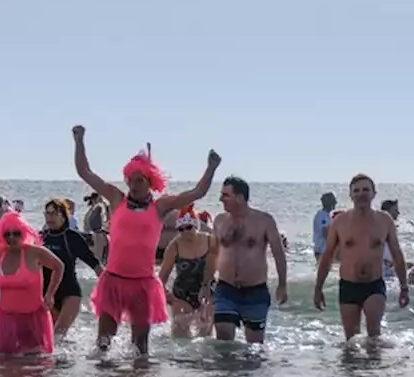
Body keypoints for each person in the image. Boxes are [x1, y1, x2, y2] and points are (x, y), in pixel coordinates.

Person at [72, 125, 221, 354]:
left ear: (150, 181)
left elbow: (196, 193)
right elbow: (85, 172)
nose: (134, 184)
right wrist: (79, 140)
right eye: (131, 179)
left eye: (140, 179)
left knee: (140, 347)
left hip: (142, 283)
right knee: (103, 343)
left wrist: (211, 168)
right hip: (114, 280)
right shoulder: (116, 198)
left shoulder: (159, 207)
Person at [314, 174, 408, 340]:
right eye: (356, 190)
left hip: (374, 285)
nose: (361, 193)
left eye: (366, 189)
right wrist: (318, 288)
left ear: (373, 193)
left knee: (374, 335)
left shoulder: (384, 220)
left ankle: (376, 366)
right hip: (348, 285)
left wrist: (404, 287)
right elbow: (327, 256)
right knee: (351, 339)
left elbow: (397, 254)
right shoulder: (340, 222)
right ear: (350, 195)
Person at [210, 177, 287, 343]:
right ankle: (224, 369)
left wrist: (282, 284)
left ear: (239, 197)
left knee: (254, 349)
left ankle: (246, 370)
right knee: (223, 340)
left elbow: (278, 253)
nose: (221, 199)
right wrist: (205, 284)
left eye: (225, 195)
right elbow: (213, 254)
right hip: (225, 288)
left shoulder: (264, 221)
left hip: (255, 291)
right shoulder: (220, 221)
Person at [0, 212, 63, 355]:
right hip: (5, 318)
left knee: (33, 366)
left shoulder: (34, 252)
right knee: (2, 364)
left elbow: (59, 267)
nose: (11, 238)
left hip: (33, 317)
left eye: (16, 233)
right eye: (7, 234)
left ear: (23, 232)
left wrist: (50, 295)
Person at [40, 199, 101, 334]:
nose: (49, 217)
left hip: (70, 292)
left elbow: (93, 262)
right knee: (49, 335)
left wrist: (108, 284)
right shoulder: (41, 238)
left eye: (53, 214)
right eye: (47, 213)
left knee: (58, 334)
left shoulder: (73, 238)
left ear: (63, 215)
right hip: (48, 293)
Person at [158, 208, 216, 338]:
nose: (185, 232)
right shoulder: (174, 246)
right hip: (182, 294)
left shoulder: (210, 241)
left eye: (189, 227)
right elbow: (160, 280)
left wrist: (212, 294)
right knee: (180, 339)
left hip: (207, 291)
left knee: (205, 336)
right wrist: (172, 301)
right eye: (181, 229)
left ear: (196, 226)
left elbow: (219, 269)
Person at [312, 192, 337, 259]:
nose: (336, 203)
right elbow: (325, 232)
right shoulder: (322, 216)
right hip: (322, 251)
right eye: (334, 201)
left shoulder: (329, 215)